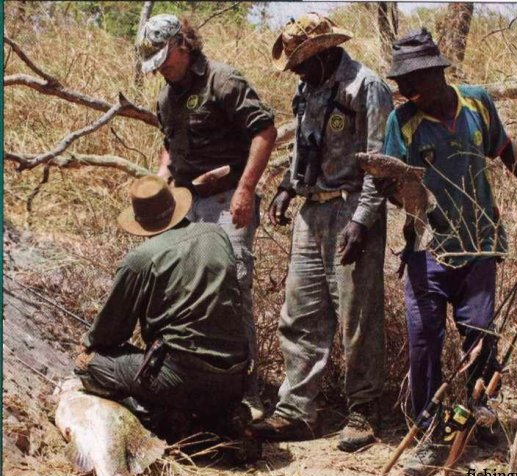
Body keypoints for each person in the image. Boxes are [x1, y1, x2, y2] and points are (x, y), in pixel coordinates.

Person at [380, 28, 517, 476]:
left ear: (434, 74)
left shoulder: (478, 102)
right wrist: (414, 200)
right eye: (401, 83)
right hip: (427, 251)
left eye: (410, 82)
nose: (403, 91)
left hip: (480, 245)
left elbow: (506, 151)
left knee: (480, 338)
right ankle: (430, 434)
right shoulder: (401, 122)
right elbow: (390, 185)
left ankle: (472, 419)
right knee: (425, 342)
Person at [251, 13, 394, 453]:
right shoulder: (308, 87)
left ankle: (364, 410)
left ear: (325, 53)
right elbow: (304, 144)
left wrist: (362, 220)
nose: (295, 70)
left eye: (301, 61)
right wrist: (286, 188)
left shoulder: (365, 86)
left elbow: (380, 160)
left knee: (357, 312)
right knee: (301, 312)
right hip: (312, 212)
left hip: (353, 209)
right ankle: (297, 410)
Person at [136, 14, 278, 420]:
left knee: (232, 286)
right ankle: (198, 385)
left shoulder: (223, 80)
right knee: (184, 293)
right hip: (186, 203)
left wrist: (246, 190)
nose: (163, 67)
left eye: (166, 57)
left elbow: (264, 131)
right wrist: (161, 177)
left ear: (184, 44)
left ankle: (247, 390)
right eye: (156, 62)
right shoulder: (166, 98)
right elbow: (169, 146)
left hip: (228, 199)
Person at [74, 176, 251, 444]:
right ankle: (217, 417)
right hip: (234, 377)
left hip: (181, 378)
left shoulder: (141, 259)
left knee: (89, 366)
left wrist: (87, 344)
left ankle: (165, 417)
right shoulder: (217, 235)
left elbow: (110, 334)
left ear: (141, 221)